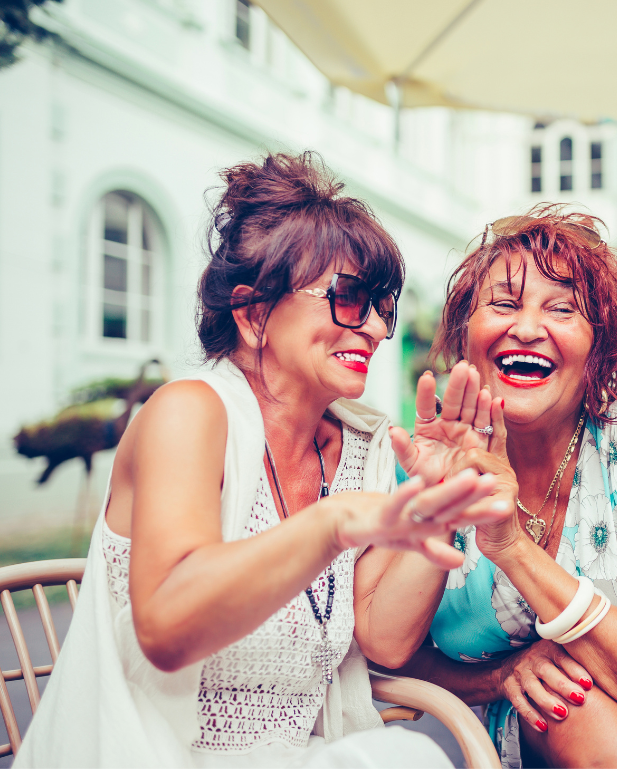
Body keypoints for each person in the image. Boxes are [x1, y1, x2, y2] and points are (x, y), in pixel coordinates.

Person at [14, 153, 509, 768]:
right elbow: (168, 629)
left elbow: (384, 638)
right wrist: (329, 527)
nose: (379, 330)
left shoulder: (364, 447)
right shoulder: (188, 414)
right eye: (351, 299)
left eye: (384, 305)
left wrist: (444, 506)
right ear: (253, 314)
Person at [388, 205, 617, 768]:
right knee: (565, 705)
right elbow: (391, 655)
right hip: (535, 720)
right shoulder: (424, 462)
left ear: (598, 348)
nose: (528, 328)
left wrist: (511, 548)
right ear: (466, 332)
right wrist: (502, 675)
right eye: (504, 304)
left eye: (561, 309)